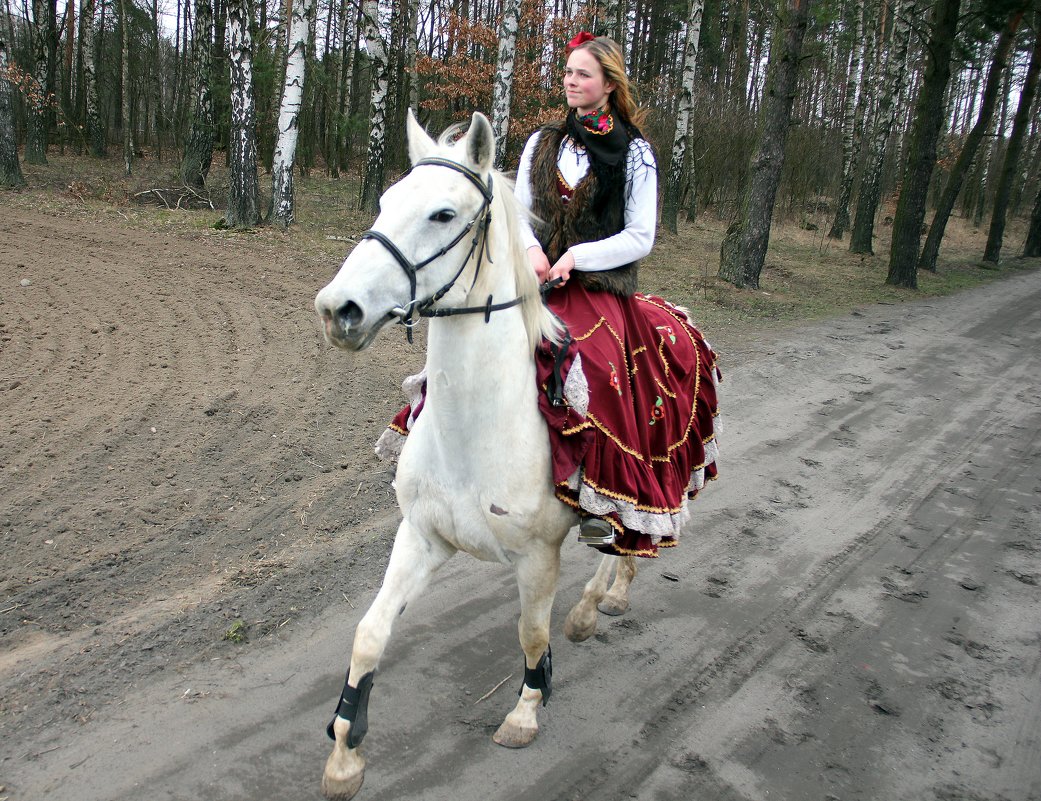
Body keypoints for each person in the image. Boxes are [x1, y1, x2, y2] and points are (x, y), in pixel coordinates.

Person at [513, 32, 721, 556]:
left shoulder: (637, 153)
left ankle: (598, 504)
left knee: (599, 370)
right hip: (533, 277)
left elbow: (639, 235)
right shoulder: (541, 143)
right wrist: (534, 253)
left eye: (582, 73)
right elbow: (517, 214)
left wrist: (577, 258)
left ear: (607, 85)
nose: (570, 80)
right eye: (567, 71)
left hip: (597, 288)